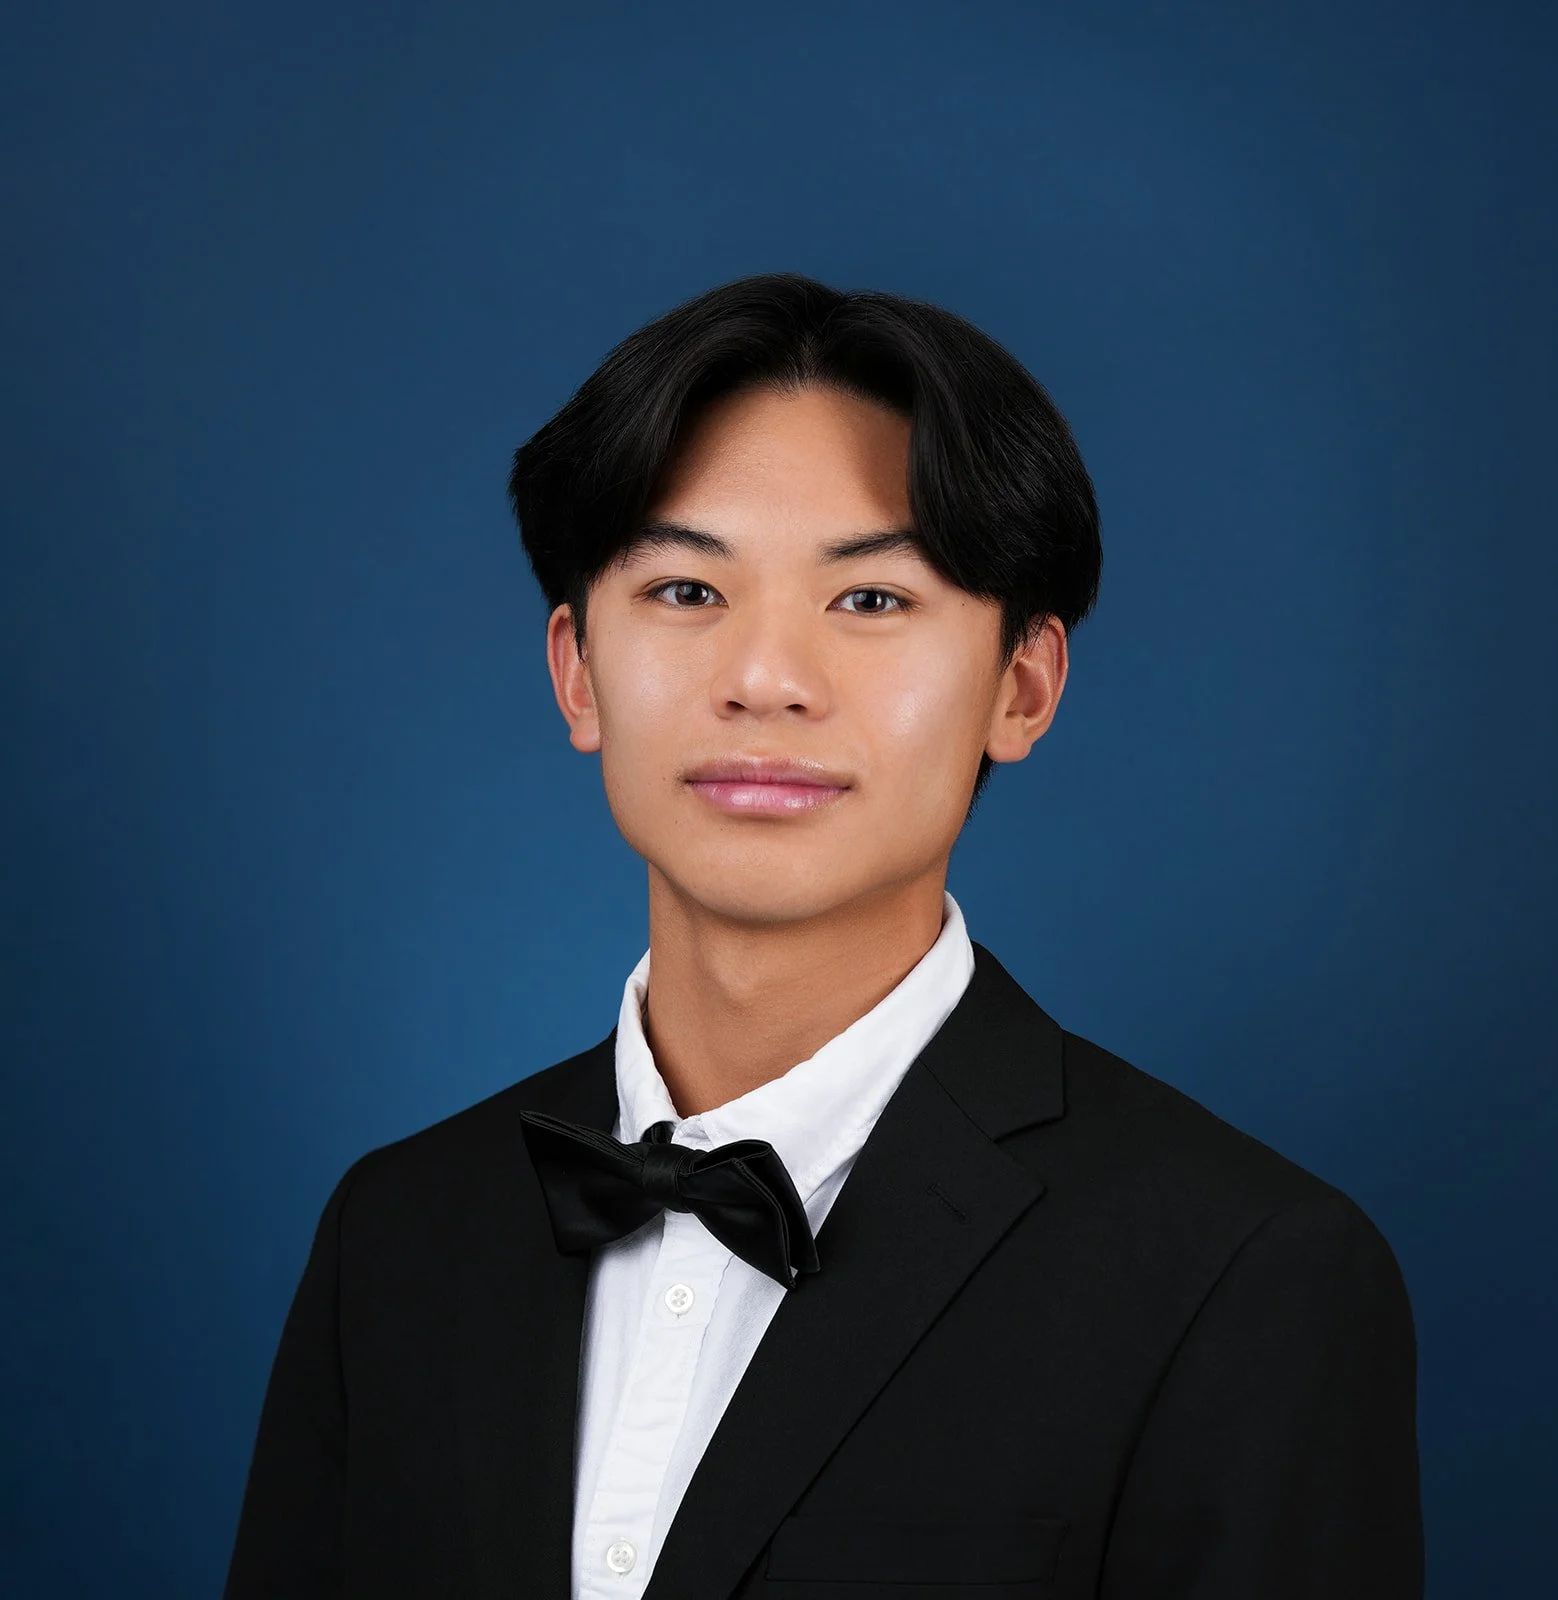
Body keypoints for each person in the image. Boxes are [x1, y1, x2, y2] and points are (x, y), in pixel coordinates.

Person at [223, 272, 1423, 1598]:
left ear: (1020, 686)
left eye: (870, 601)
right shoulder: (396, 1234)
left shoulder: (1246, 1276)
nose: (764, 679)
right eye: (685, 590)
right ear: (577, 671)